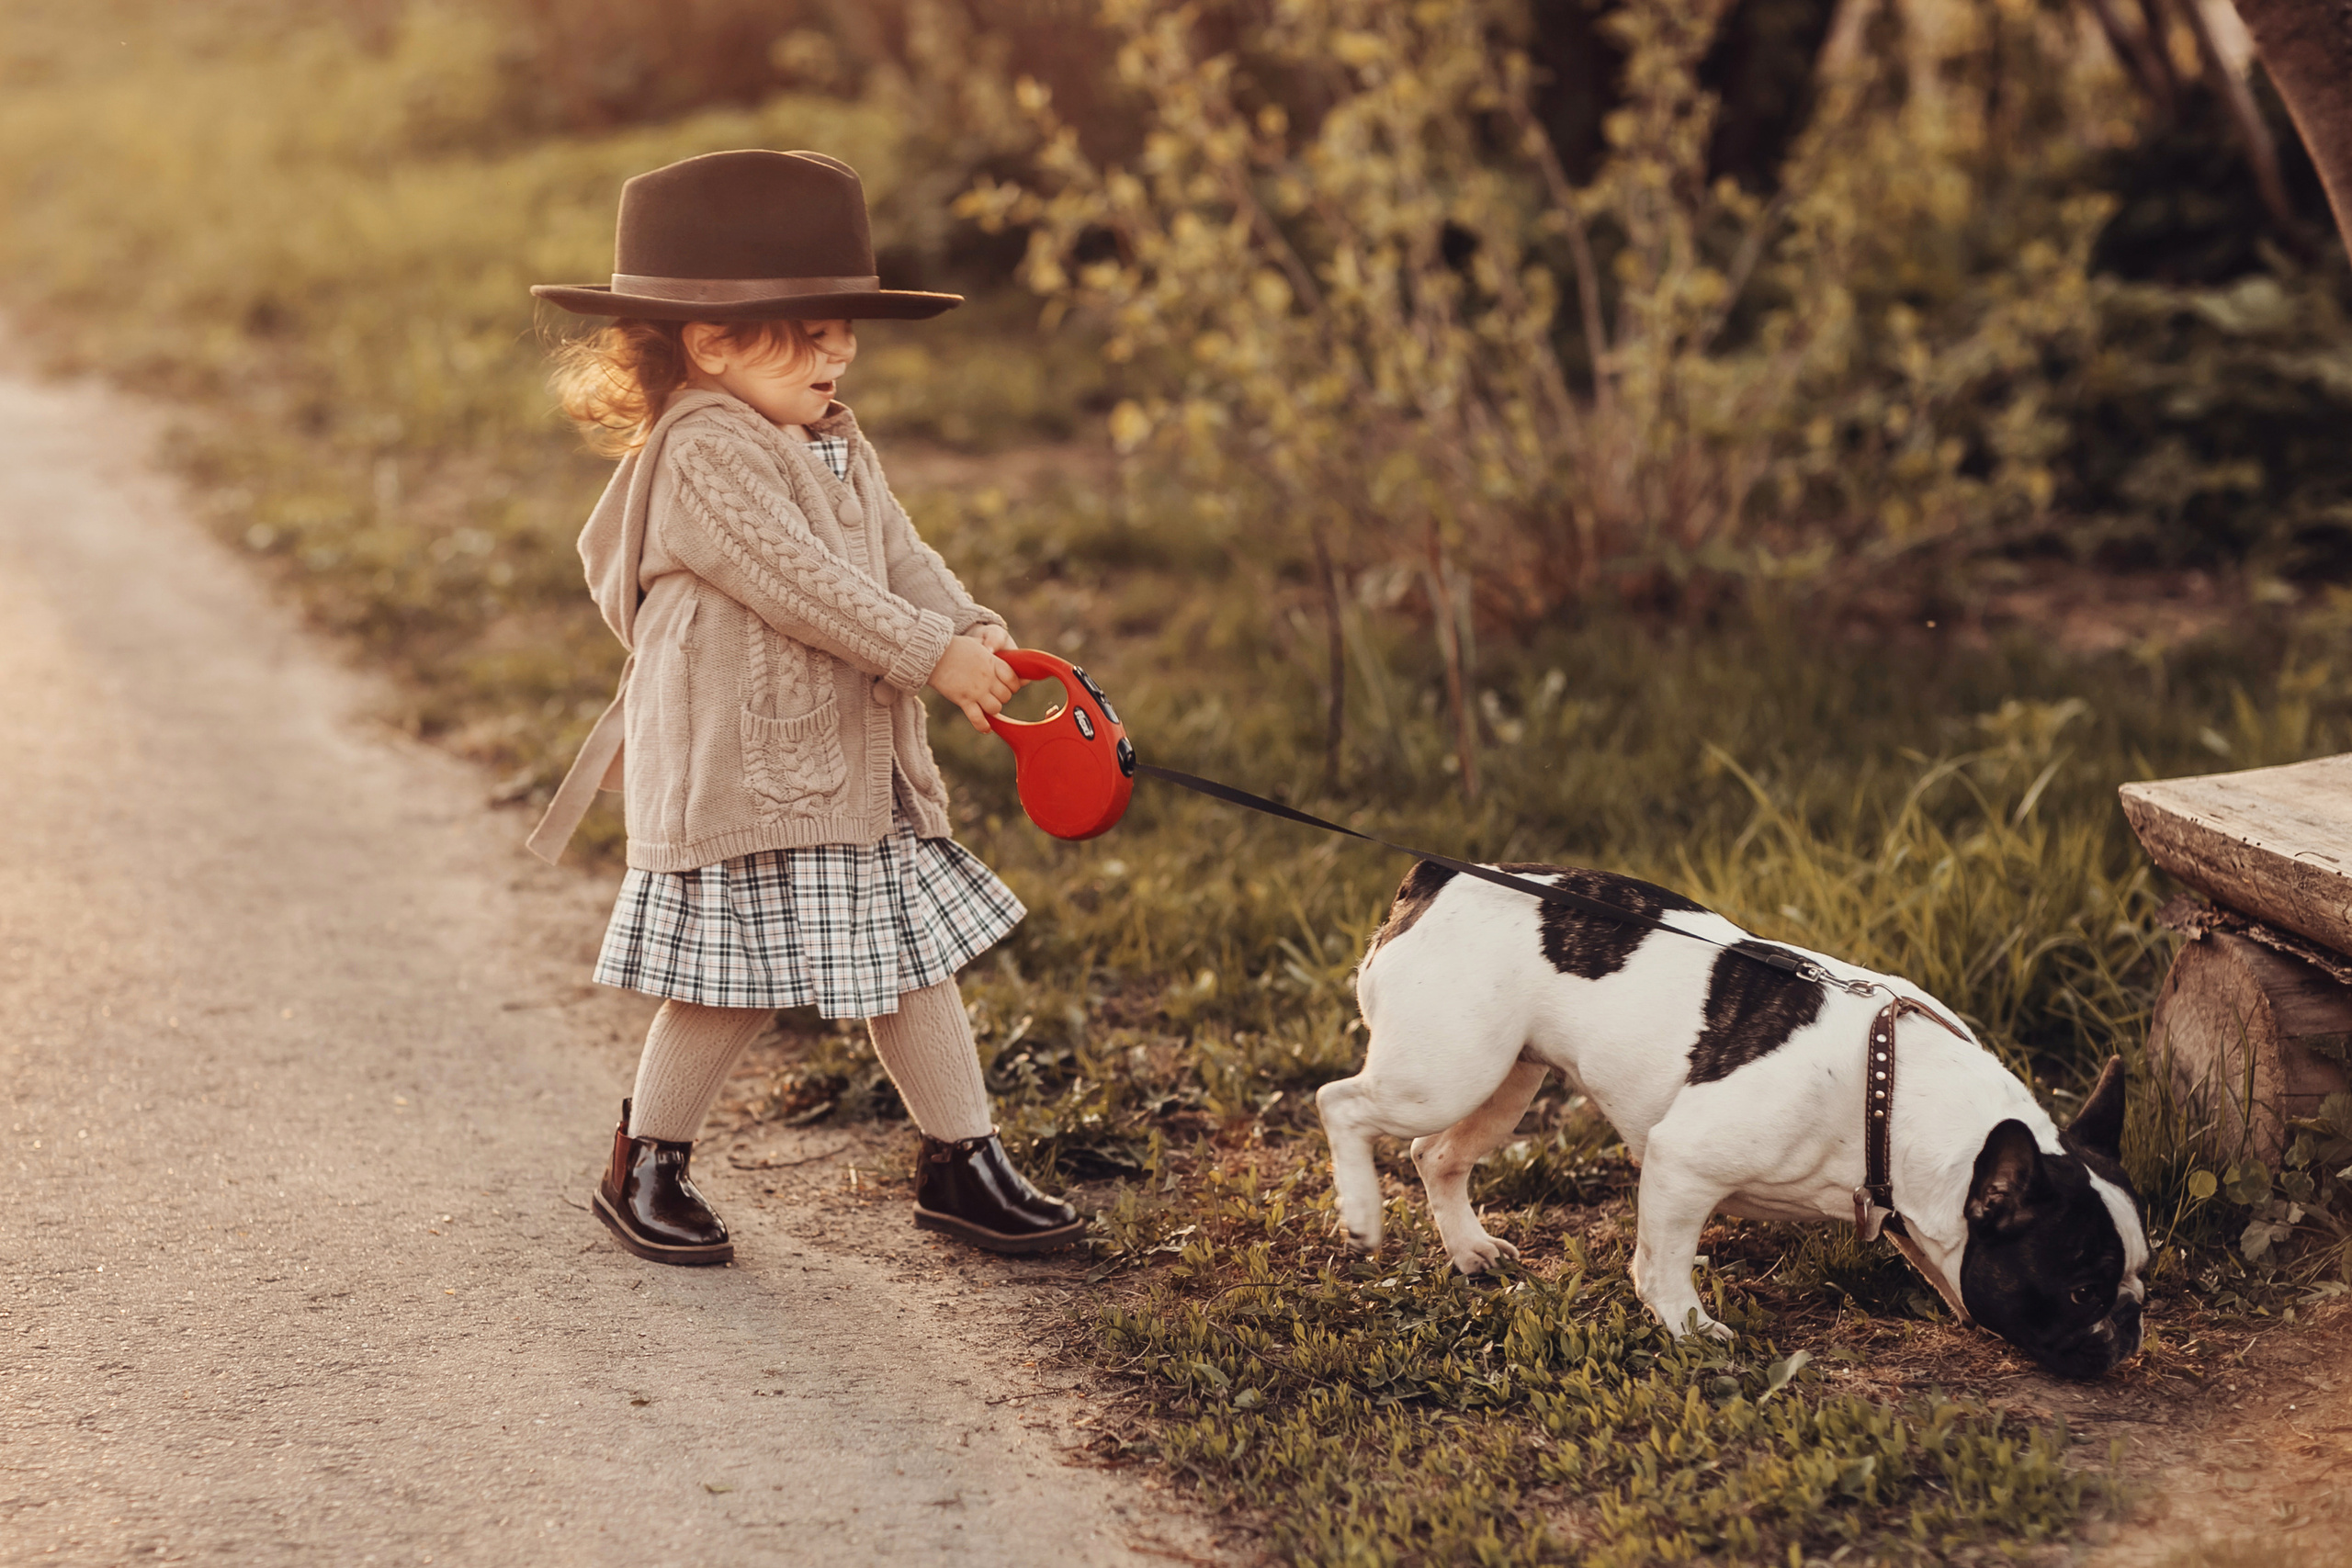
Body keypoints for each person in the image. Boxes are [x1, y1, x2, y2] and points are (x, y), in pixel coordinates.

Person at [525, 148, 1083, 1265]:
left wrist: (972, 631)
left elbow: (893, 553)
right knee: (729, 984)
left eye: (844, 327)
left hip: (847, 763)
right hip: (749, 765)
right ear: (713, 341)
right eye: (811, 327)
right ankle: (647, 1162)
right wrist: (928, 656)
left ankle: (961, 1162)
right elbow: (802, 583)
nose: (841, 348)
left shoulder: (828, 436)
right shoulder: (703, 449)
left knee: (907, 961)